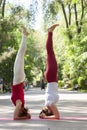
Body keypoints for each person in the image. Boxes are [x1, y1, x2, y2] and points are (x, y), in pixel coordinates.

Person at [39, 24, 60, 119]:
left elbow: (57, 116)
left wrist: (46, 117)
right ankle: (50, 32)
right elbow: (56, 115)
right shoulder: (50, 103)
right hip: (52, 78)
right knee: (50, 53)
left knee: (50, 52)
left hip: (51, 78)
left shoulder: (49, 103)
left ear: (49, 111)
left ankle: (50, 32)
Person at [11, 25, 31, 120]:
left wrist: (25, 116)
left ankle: (25, 35)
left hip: (19, 79)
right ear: (20, 112)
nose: (16, 110)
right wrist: (25, 117)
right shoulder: (19, 104)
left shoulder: (20, 104)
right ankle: (24, 35)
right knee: (20, 54)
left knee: (20, 55)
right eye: (18, 111)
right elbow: (15, 117)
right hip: (18, 79)